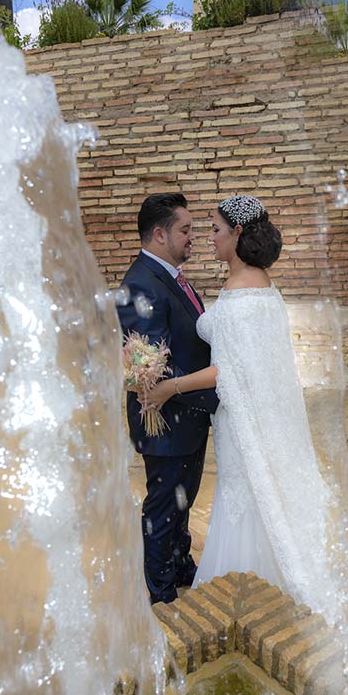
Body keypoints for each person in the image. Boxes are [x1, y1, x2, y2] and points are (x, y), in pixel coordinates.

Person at [139, 196, 348, 613]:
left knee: (243, 491)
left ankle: (240, 586)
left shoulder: (240, 294)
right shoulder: (262, 284)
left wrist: (169, 387)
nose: (209, 239)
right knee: (255, 492)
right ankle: (264, 574)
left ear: (237, 233)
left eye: (216, 230)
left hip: (240, 419)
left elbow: (228, 371)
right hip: (254, 414)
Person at [116, 193, 218, 604]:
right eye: (185, 230)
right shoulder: (141, 283)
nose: (192, 238)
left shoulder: (170, 275)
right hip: (165, 417)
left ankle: (178, 564)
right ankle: (160, 591)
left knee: (182, 497)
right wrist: (199, 381)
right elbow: (149, 364)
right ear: (160, 234)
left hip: (186, 414)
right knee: (163, 503)